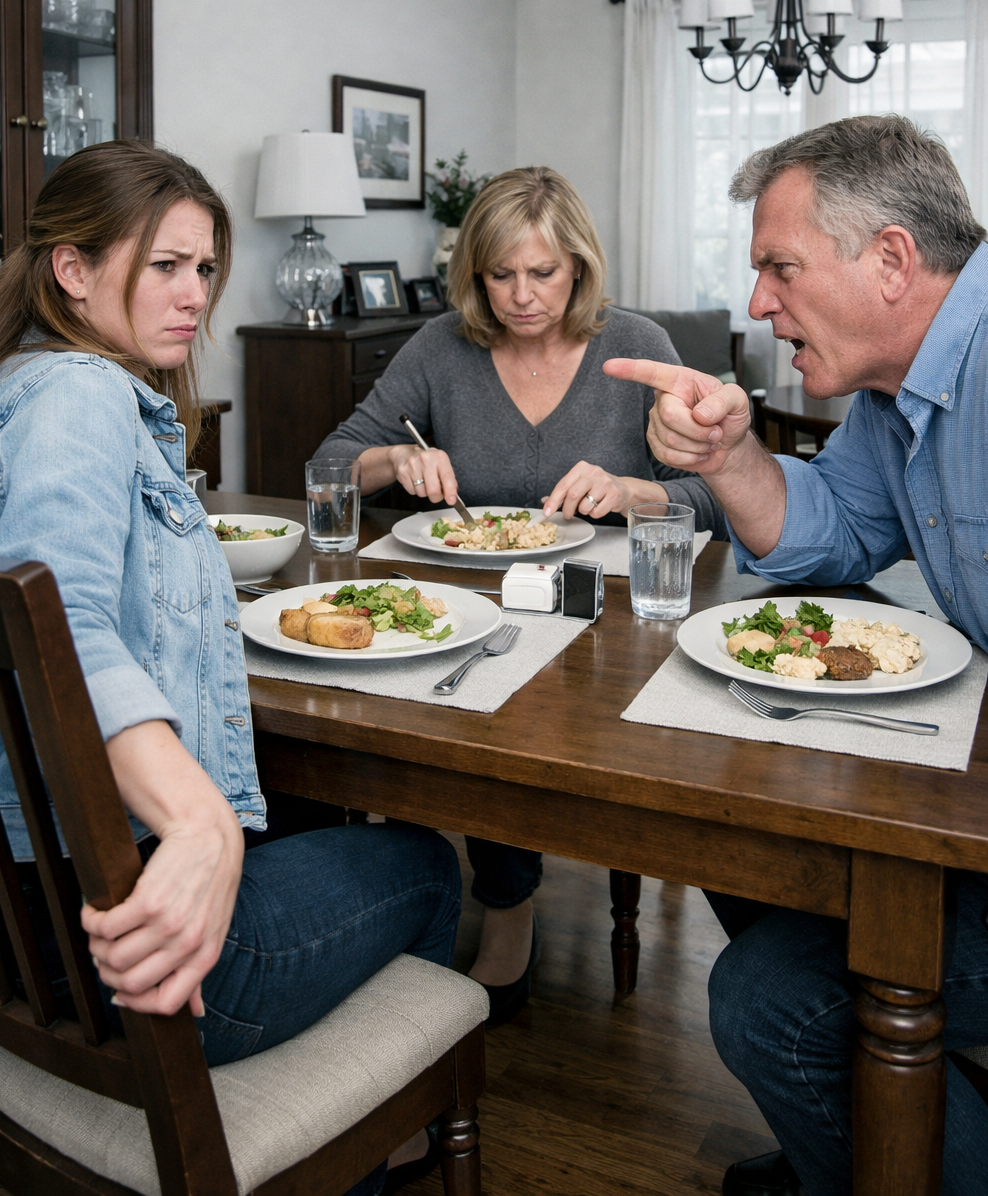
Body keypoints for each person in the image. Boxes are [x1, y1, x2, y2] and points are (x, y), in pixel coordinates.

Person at [0, 141, 462, 1196]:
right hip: (125, 952)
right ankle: (371, 1150)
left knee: (321, 825)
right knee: (425, 863)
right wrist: (201, 825)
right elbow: (67, 623)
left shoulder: (2, 393)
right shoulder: (80, 398)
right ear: (74, 270)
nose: (195, 297)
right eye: (165, 268)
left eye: (205, 270)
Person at [604, 116, 988, 1196]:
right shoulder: (891, 393)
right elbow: (819, 529)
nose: (760, 303)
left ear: (893, 260)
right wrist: (729, 454)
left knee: (772, 1000)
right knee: (757, 848)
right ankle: (864, 1143)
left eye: (779, 267)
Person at [317, 164, 725, 1025]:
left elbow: (714, 500)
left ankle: (507, 901)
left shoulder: (638, 345)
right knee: (462, 709)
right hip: (472, 609)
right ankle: (492, 908)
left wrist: (633, 491)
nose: (521, 296)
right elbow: (326, 467)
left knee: (539, 716)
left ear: (578, 265)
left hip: (605, 621)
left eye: (542, 273)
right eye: (500, 274)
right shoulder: (441, 348)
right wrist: (394, 462)